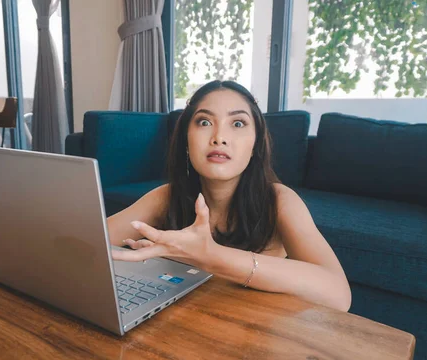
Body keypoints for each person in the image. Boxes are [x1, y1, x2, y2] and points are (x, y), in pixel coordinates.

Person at [107, 80, 351, 312]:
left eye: (237, 124)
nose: (219, 137)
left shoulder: (279, 200)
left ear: (256, 143)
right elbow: (90, 239)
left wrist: (208, 256)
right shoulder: (167, 196)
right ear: (185, 139)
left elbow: (339, 295)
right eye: (204, 122)